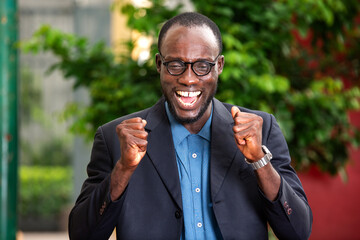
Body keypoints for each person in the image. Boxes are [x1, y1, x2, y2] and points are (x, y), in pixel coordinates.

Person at [68, 12, 312, 240]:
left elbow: (297, 231)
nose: (188, 78)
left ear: (219, 66)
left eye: (203, 65)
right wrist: (123, 169)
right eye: (175, 64)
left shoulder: (262, 129)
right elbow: (83, 235)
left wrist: (259, 160)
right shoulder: (114, 138)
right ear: (158, 65)